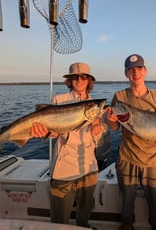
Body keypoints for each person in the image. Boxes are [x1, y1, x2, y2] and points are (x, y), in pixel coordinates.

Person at [106, 54, 156, 230]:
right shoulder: (119, 96)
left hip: (153, 160)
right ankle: (127, 225)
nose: (136, 73)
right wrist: (111, 119)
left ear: (145, 70)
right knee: (126, 203)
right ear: (126, 73)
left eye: (139, 68)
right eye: (131, 70)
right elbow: (114, 128)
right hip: (127, 158)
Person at [30, 62, 105, 228]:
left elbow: (96, 139)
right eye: (75, 77)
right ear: (69, 80)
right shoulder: (59, 100)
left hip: (89, 168)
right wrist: (44, 132)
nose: (79, 80)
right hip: (64, 170)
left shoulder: (95, 104)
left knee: (84, 215)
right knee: (59, 220)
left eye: (83, 76)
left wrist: (97, 127)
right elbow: (55, 132)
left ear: (89, 80)